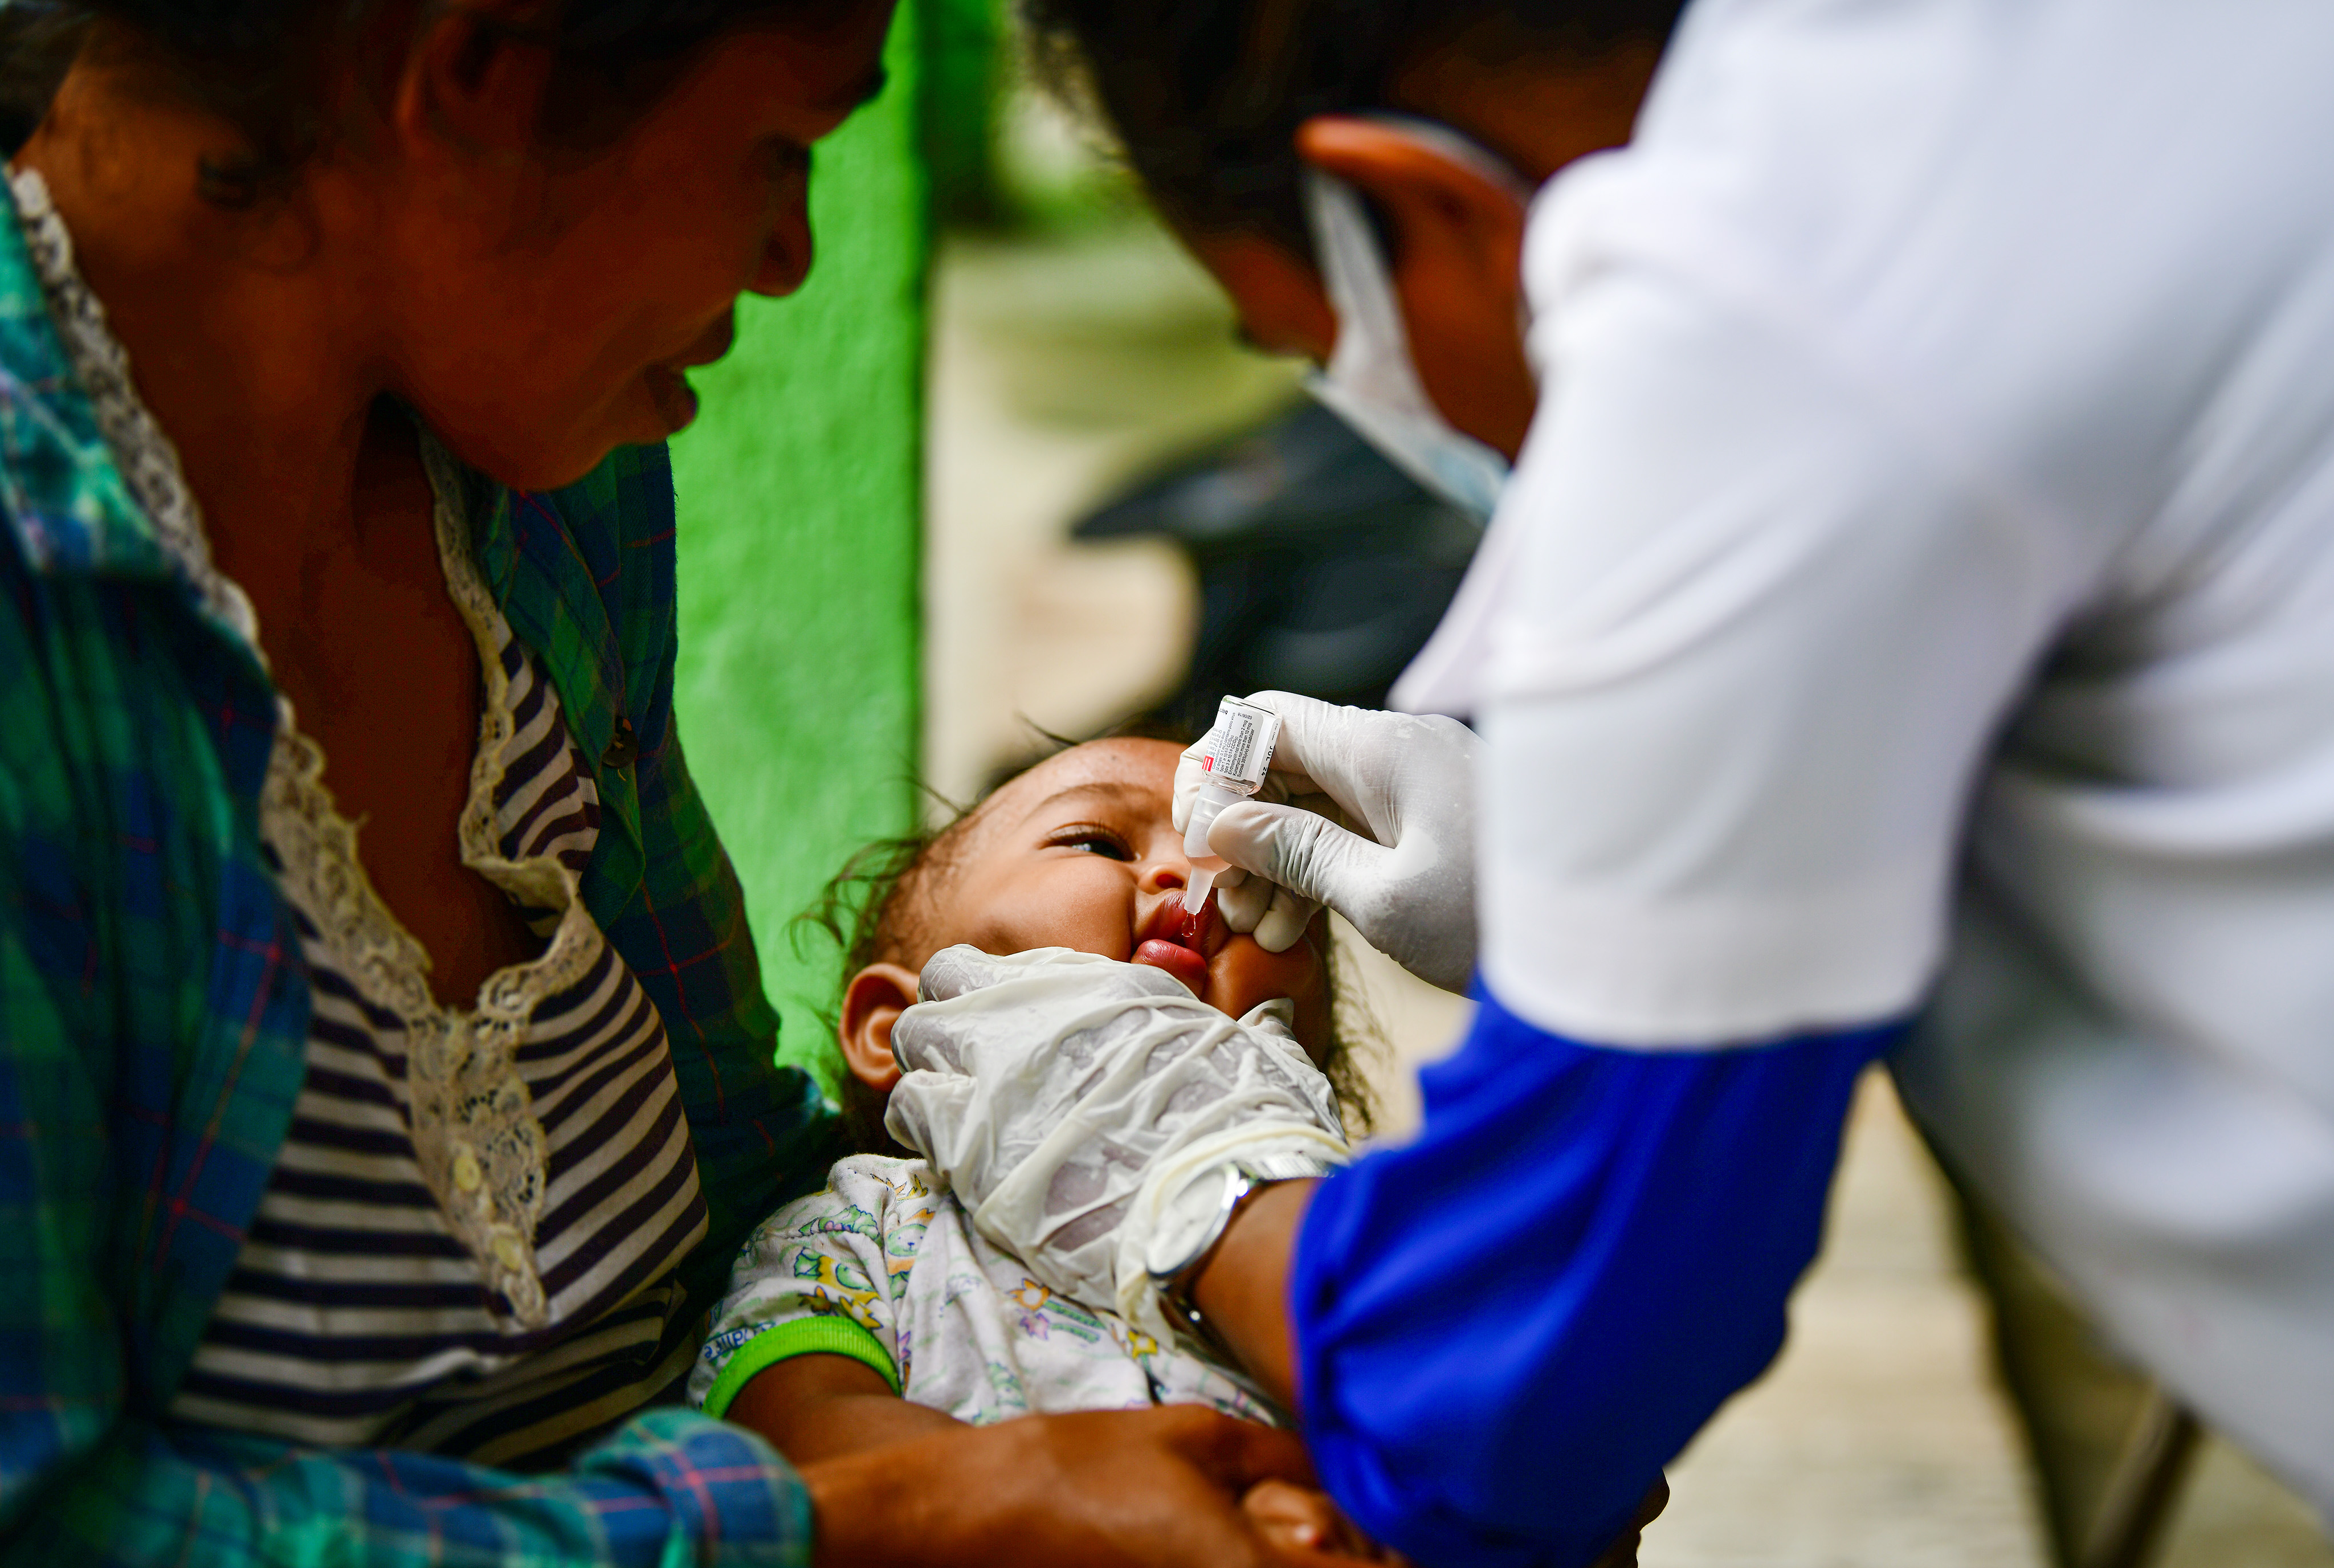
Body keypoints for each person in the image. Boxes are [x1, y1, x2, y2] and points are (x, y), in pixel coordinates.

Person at [880, 0, 2334, 1563]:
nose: (1167, 880)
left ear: (1418, 205)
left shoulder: (1754, 348)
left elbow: (1518, 1403)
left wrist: (1179, 1173)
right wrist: (1562, 880)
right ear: (887, 1020)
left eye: (1318, 352)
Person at [0, 5, 1350, 1563]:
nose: (788, 254)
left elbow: (735, 1163)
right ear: (480, 80)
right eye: (778, 150)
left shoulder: (544, 496)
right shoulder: (52, 633)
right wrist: (877, 1509)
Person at [690, 736, 1405, 1562]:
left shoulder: (1354, 1218)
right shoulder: (857, 1232)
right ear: (899, 1029)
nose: (1196, 871)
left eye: (1264, 890)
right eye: (1098, 842)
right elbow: (801, 1452)